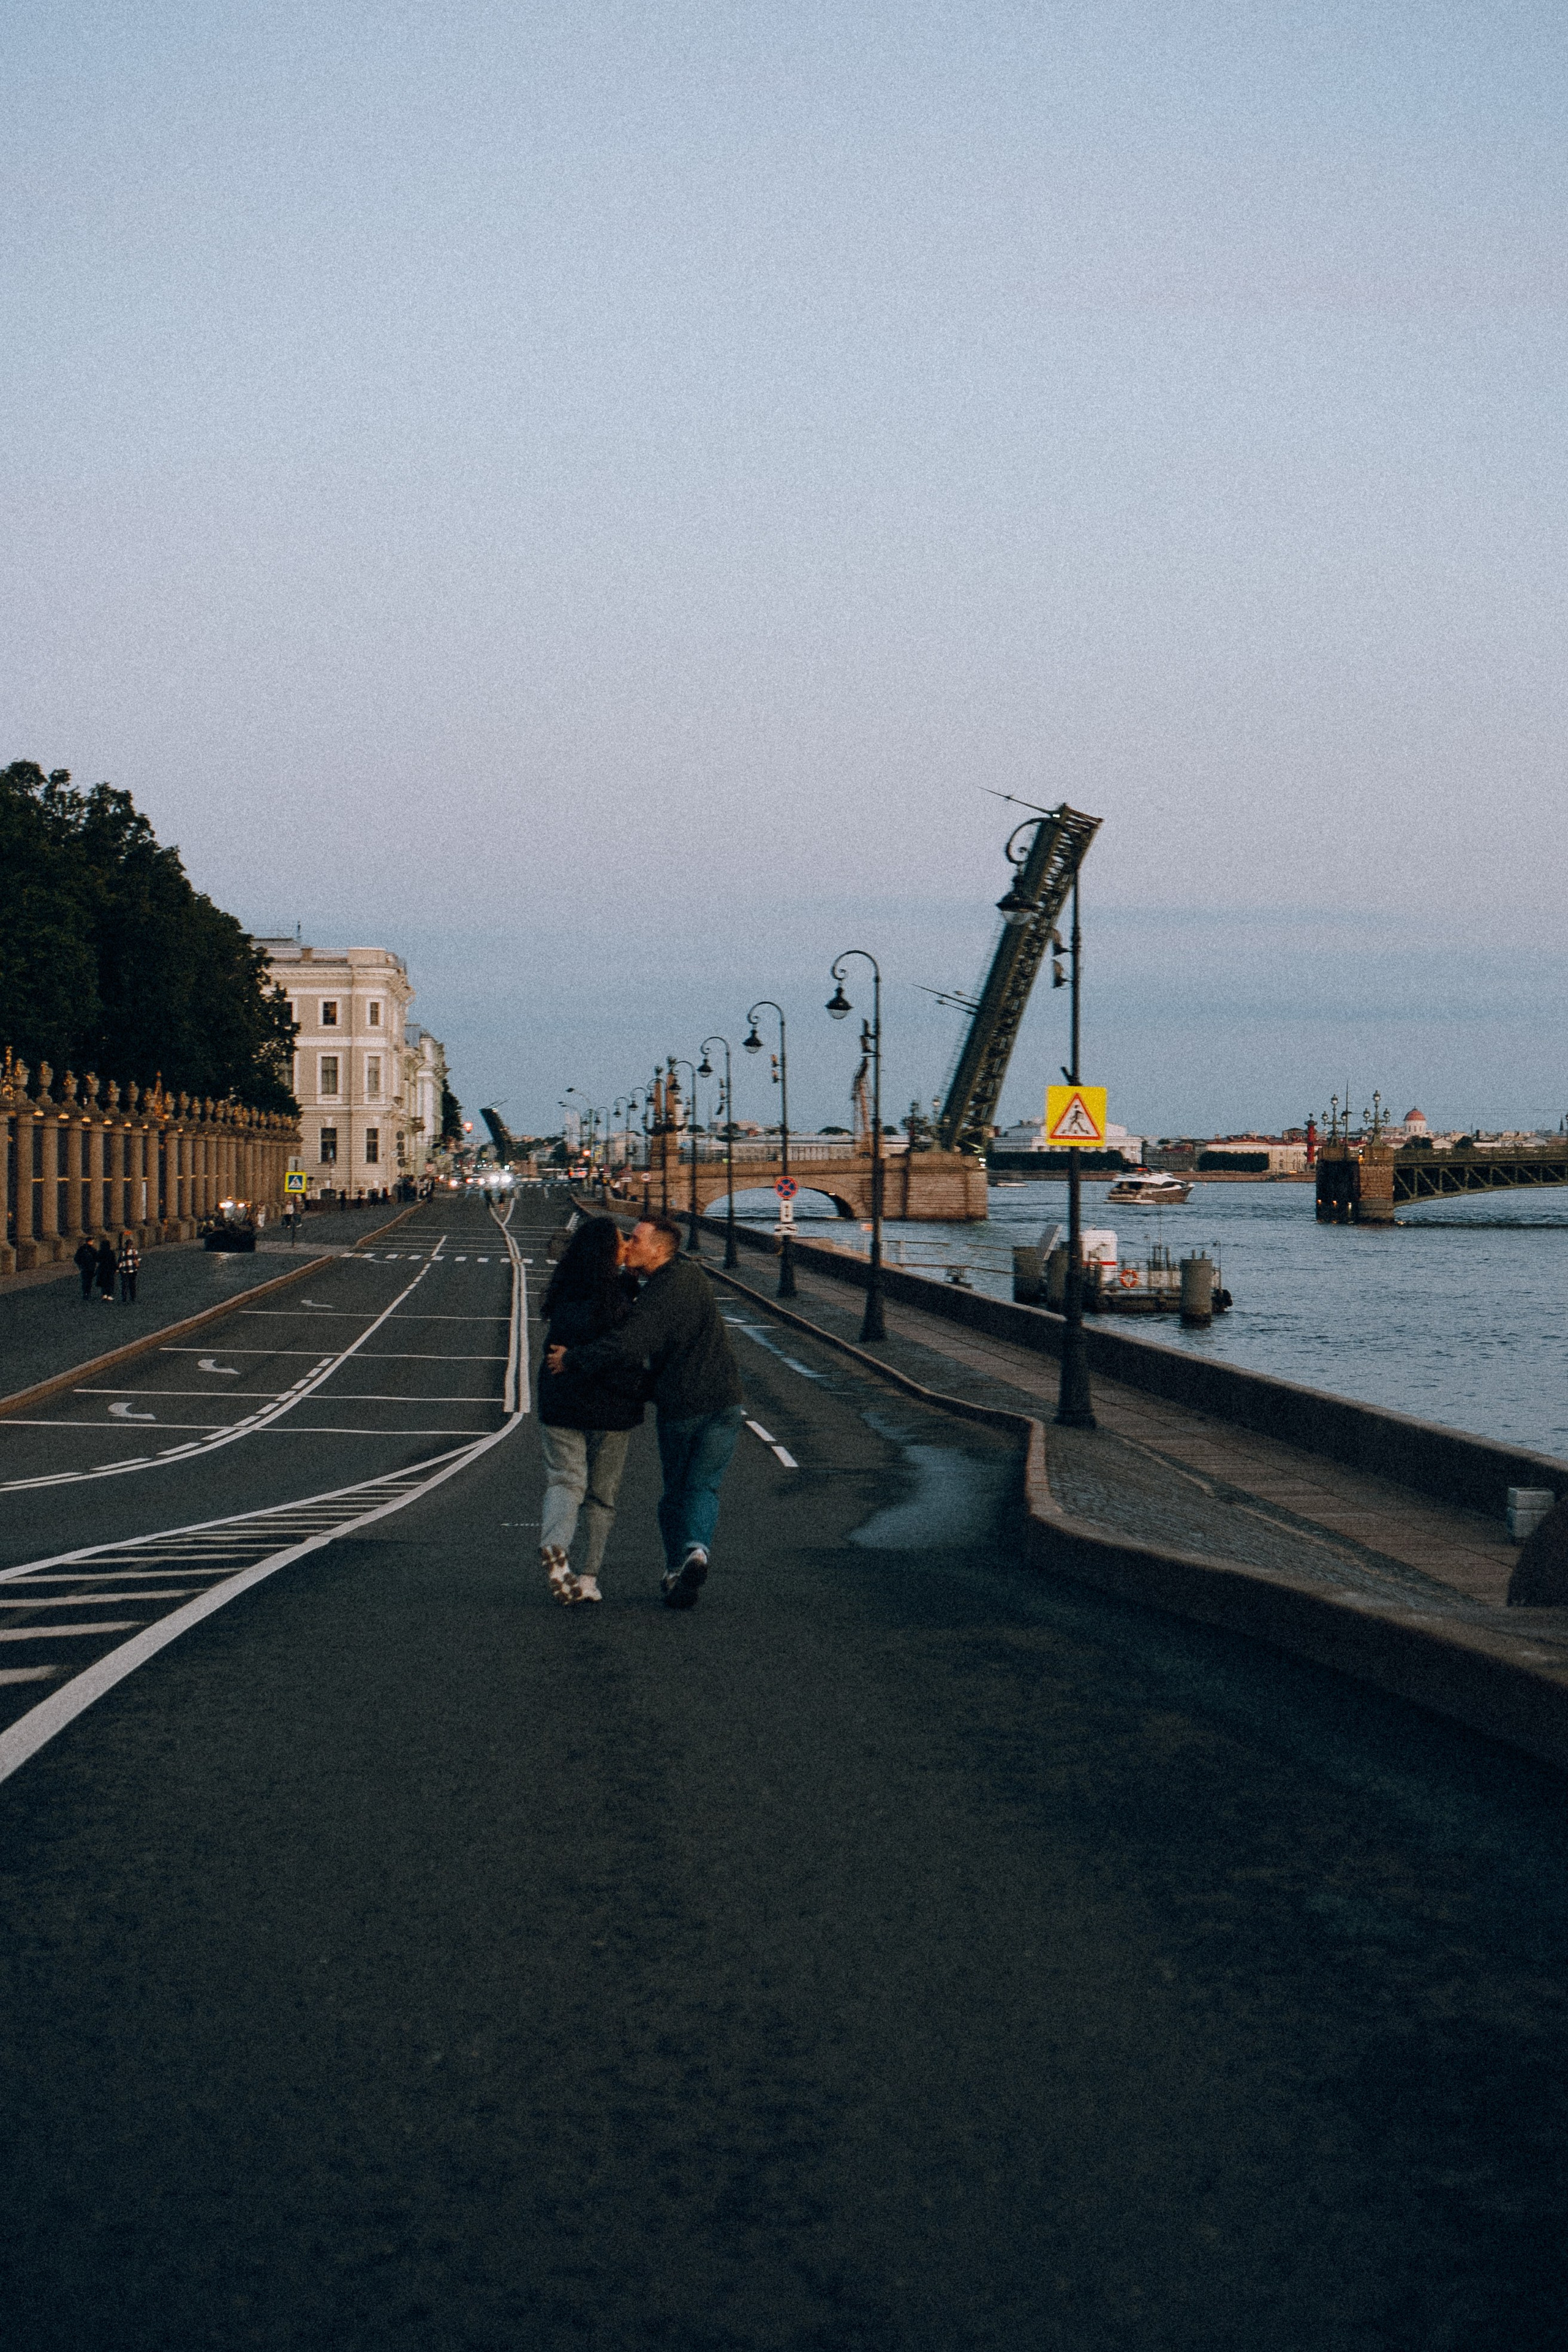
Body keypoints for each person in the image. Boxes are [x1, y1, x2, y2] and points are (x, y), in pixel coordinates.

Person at [548, 1212, 744, 1610]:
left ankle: (677, 1569)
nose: (627, 1244)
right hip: (727, 1403)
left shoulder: (662, 1291)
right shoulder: (687, 1276)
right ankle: (698, 1552)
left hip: (685, 1407)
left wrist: (574, 1359)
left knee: (675, 1494)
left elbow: (628, 1343)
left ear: (657, 1249)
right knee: (703, 1487)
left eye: (635, 1240)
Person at [537, 1218, 646, 1606]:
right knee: (602, 1496)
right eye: (621, 1242)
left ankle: (555, 1545)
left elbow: (559, 1350)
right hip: (612, 1407)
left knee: (565, 1481)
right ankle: (588, 1577)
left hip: (561, 1402)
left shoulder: (565, 1292)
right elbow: (627, 1352)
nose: (627, 1246)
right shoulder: (624, 1299)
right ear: (608, 1252)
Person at [117, 1232, 141, 1303]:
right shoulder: (134, 1251)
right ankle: (133, 1297)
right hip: (133, 1270)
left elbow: (120, 1262)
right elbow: (136, 1260)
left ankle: (124, 1298)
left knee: (124, 1285)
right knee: (132, 1285)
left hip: (124, 1271)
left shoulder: (123, 1252)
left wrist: (118, 1269)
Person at [74, 1236, 99, 1301]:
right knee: (89, 1282)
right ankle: (88, 1294)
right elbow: (97, 1258)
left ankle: (85, 1294)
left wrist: (80, 1265)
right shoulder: (92, 1250)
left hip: (84, 1268)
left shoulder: (81, 1249)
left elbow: (76, 1258)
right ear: (90, 1242)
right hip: (91, 1268)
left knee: (85, 1281)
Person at [95, 1235, 116, 1300]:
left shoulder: (100, 1252)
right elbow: (113, 1261)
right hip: (109, 1269)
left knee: (103, 1282)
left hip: (102, 1269)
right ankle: (109, 1295)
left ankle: (104, 1295)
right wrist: (116, 1268)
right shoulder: (111, 1252)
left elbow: (97, 1259)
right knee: (109, 1282)